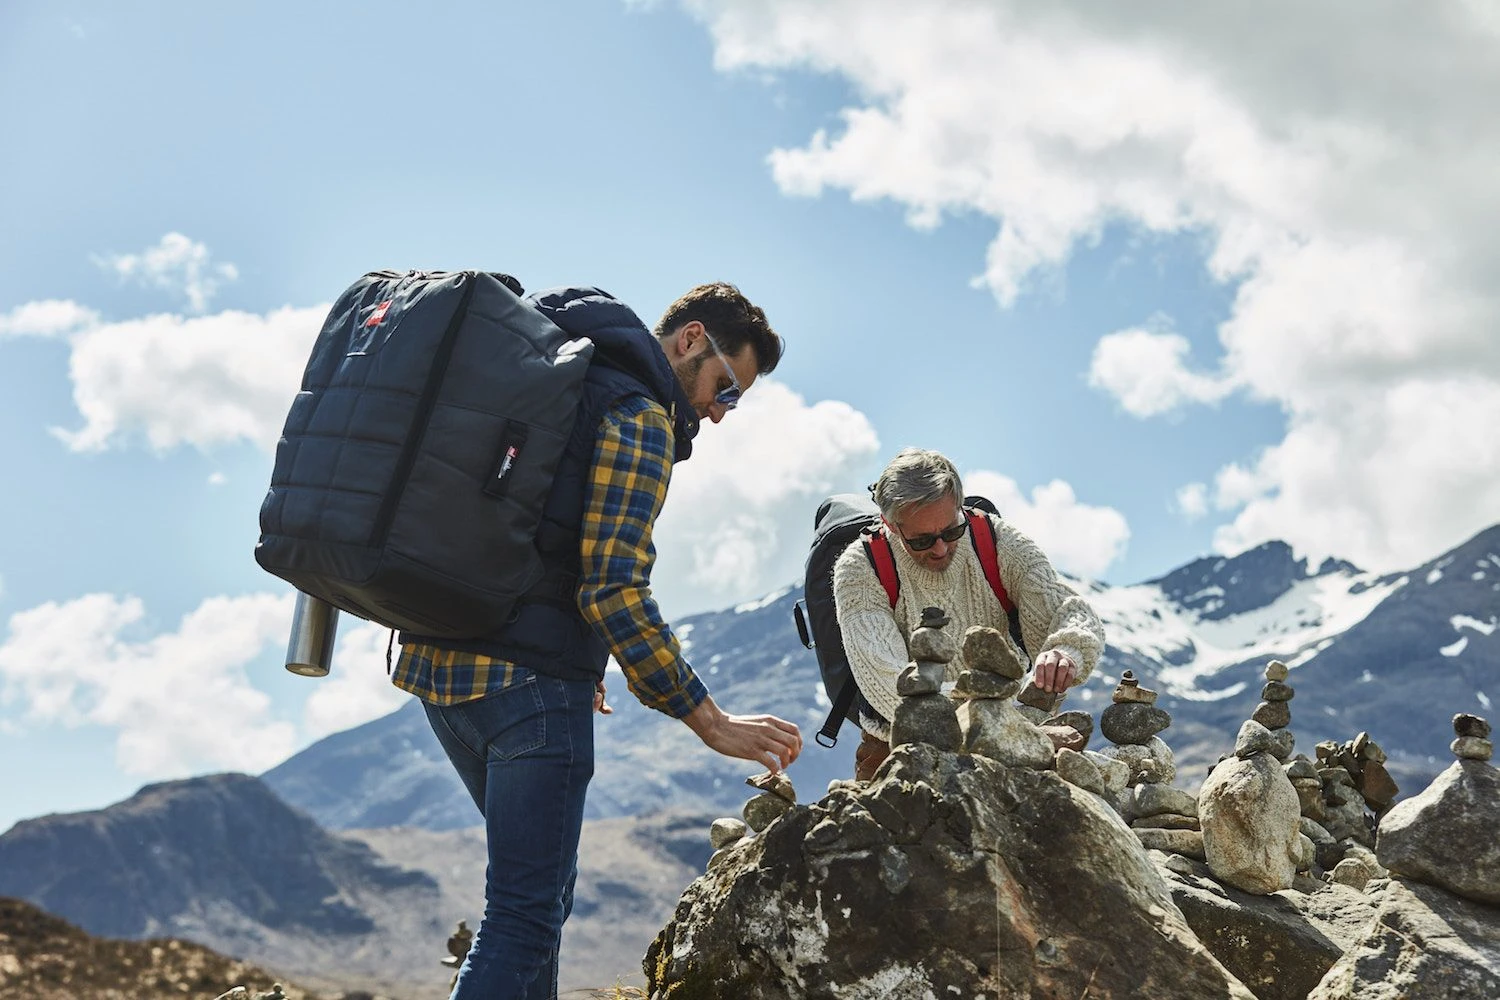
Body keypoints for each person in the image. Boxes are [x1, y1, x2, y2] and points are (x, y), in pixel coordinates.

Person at [391, 281, 804, 1000]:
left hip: (439, 667)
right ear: (691, 339)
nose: (720, 412)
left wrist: (582, 652)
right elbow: (612, 587)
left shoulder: (562, 382)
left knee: (541, 900)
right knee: (523, 918)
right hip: (527, 689)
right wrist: (710, 720)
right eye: (725, 388)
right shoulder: (637, 416)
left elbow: (536, 538)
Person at [833, 447, 1105, 781]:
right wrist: (987, 715)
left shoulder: (998, 540)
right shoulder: (860, 569)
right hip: (898, 745)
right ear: (890, 523)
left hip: (1010, 730)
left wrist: (1066, 650)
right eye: (921, 540)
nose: (940, 548)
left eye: (951, 530)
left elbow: (1069, 610)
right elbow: (888, 684)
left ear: (960, 506)